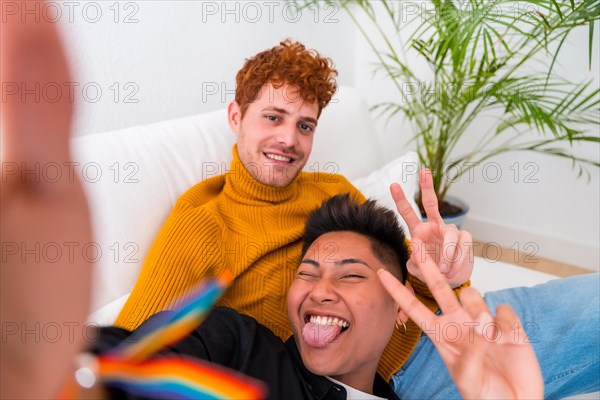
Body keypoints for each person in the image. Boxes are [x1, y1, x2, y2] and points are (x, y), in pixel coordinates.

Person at [113, 39, 599, 399]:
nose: (289, 139)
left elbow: (406, 292)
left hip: (448, 327)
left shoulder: (332, 189)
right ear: (236, 116)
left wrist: (440, 273)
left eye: (305, 125)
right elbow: (134, 352)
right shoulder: (204, 223)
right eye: (273, 117)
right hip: (400, 379)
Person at [91, 195, 543, 400]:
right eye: (307, 274)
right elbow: (124, 358)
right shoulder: (236, 346)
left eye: (350, 277)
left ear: (403, 306)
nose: (320, 290)